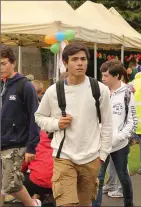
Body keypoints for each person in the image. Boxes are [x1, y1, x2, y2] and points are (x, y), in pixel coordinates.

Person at [35, 43, 113, 206]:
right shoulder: (53, 91)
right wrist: (56, 123)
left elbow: (107, 124)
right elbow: (39, 117)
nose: (80, 63)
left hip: (91, 157)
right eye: (75, 59)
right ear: (65, 63)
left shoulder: (99, 89)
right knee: (66, 204)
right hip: (64, 157)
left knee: (84, 204)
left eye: (83, 59)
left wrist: (102, 156)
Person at [1, 45, 41, 207]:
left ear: (13, 63)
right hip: (2, 141)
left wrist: (31, 147)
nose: (0, 67)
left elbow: (35, 118)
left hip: (16, 144)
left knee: (11, 185)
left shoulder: (25, 86)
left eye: (3, 63)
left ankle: (33, 204)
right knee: (3, 185)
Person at [93, 60, 137, 207]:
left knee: (123, 176)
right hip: (100, 144)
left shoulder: (128, 93)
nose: (103, 79)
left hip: (119, 145)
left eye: (106, 76)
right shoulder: (99, 91)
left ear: (117, 76)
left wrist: (119, 137)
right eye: (102, 75)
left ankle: (129, 203)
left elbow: (133, 122)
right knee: (98, 177)